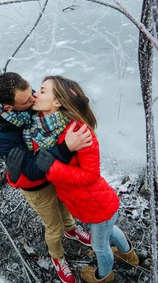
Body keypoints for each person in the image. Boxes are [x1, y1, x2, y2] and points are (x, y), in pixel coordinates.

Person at [0, 72, 93, 283]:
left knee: (63, 206)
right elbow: (31, 170)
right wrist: (66, 148)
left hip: (56, 175)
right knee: (53, 225)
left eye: (33, 92)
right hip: (36, 186)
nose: (33, 99)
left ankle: (72, 231)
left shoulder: (26, 97)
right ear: (8, 108)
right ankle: (58, 258)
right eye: (27, 100)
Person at [27, 76, 139, 283]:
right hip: (93, 204)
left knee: (100, 247)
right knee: (111, 231)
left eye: (42, 91)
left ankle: (103, 276)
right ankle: (128, 254)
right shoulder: (47, 128)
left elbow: (90, 176)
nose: (35, 94)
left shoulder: (79, 132)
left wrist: (52, 167)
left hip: (97, 205)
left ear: (57, 102)